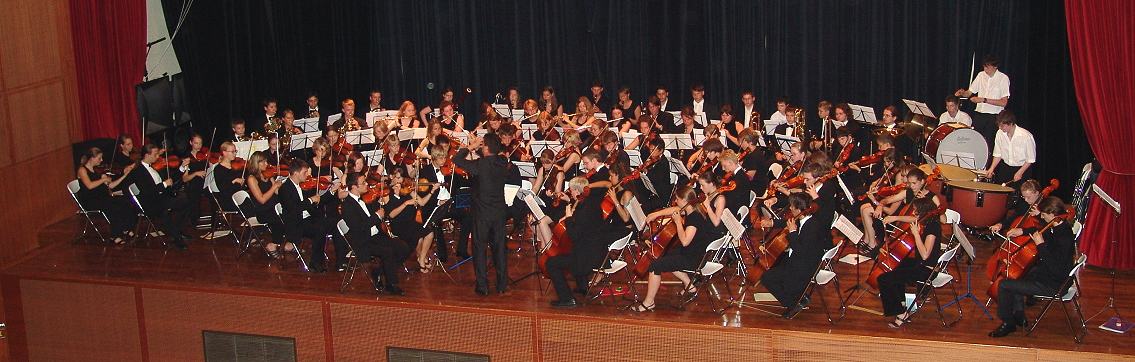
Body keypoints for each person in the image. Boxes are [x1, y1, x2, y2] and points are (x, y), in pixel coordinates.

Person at [989, 197, 1075, 337]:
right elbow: (1040, 230)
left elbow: (1056, 268)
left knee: (1004, 285)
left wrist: (1040, 246)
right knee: (1019, 275)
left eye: (1044, 215)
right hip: (1049, 276)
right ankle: (1019, 315)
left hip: (1055, 283)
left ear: (1053, 214)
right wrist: (1022, 231)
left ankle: (1008, 323)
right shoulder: (1057, 227)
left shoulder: (1064, 238)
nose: (1041, 217)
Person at [633, 185, 727, 312]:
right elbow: (676, 209)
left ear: (684, 201)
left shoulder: (694, 218)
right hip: (695, 253)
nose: (676, 201)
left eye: (677, 199)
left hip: (693, 259)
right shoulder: (695, 209)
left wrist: (678, 222)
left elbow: (684, 241)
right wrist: (656, 214)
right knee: (663, 255)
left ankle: (649, 302)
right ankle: (690, 286)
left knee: (655, 266)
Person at [544, 176, 627, 308]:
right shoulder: (592, 203)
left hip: (589, 259)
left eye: (571, 190)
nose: (570, 192)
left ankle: (567, 299)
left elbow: (574, 235)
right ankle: (583, 287)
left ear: (577, 191)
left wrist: (569, 218)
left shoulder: (583, 210)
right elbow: (584, 224)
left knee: (552, 263)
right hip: (599, 252)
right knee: (575, 249)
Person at [452, 133, 513, 295]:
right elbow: (489, 157)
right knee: (499, 248)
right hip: (499, 212)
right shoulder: (503, 161)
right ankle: (501, 284)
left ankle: (482, 286)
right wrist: (480, 147)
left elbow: (457, 160)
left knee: (479, 248)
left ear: (486, 147)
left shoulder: (480, 165)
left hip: (482, 214)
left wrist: (471, 147)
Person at [877, 197, 944, 327]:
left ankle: (901, 314)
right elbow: (912, 219)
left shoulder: (933, 228)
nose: (914, 214)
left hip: (926, 269)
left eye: (916, 211)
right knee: (894, 266)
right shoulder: (928, 220)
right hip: (920, 263)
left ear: (923, 211)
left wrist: (916, 235)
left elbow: (925, 255)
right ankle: (901, 304)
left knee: (883, 279)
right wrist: (895, 218)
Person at [342, 172, 411, 295]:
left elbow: (385, 212)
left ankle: (379, 271)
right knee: (388, 251)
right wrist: (376, 216)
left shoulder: (366, 199)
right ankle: (391, 284)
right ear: (354, 187)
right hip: (363, 241)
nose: (367, 184)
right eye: (363, 183)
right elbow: (359, 228)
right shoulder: (347, 206)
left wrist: (394, 196)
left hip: (376, 236)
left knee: (403, 247)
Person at [278, 158, 345, 273]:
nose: (307, 175)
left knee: (335, 223)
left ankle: (341, 261)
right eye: (304, 172)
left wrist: (331, 192)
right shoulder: (285, 189)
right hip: (296, 224)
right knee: (320, 228)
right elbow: (294, 209)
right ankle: (315, 263)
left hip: (309, 219)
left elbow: (318, 201)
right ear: (296, 173)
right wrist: (310, 200)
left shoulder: (303, 185)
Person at [126, 144, 191, 250]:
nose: (158, 157)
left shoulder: (153, 168)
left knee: (185, 201)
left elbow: (170, 179)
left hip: (159, 198)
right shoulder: (139, 171)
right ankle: (177, 237)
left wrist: (182, 167)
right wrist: (164, 184)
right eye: (155, 154)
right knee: (170, 208)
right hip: (150, 203)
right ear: (147, 155)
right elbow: (148, 191)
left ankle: (176, 233)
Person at [75, 147, 137, 242]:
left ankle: (126, 228)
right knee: (111, 206)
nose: (102, 160)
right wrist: (103, 179)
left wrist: (125, 175)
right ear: (92, 158)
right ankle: (115, 235)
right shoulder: (82, 170)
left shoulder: (97, 170)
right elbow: (89, 186)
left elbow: (111, 185)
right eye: (99, 158)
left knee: (125, 201)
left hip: (102, 198)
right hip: (90, 200)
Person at [955, 55, 1010, 152]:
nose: (985, 69)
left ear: (995, 66)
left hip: (994, 116)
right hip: (979, 114)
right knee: (975, 142)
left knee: (989, 145)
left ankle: (988, 167)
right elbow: (969, 93)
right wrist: (962, 93)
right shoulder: (981, 75)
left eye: (987, 67)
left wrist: (984, 100)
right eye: (984, 66)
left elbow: (1003, 102)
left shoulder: (1003, 78)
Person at [242, 151, 287, 256]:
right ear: (257, 163)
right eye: (263, 162)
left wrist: (282, 185)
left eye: (266, 161)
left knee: (291, 213)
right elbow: (261, 199)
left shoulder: (268, 174)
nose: (267, 164)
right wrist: (274, 187)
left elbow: (276, 192)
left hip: (273, 205)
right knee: (279, 219)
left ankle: (289, 243)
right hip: (261, 210)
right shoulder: (251, 178)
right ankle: (273, 245)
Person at [984, 111, 1035, 185]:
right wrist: (991, 168)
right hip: (1005, 169)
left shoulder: (1026, 136)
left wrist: (1020, 172)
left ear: (1011, 124)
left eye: (1002, 126)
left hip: (1022, 168)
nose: (1000, 128)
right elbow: (998, 154)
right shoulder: (999, 133)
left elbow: (1030, 159)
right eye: (999, 125)